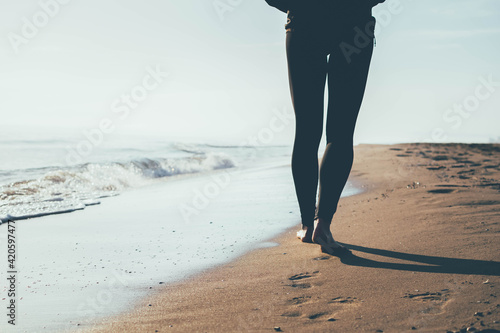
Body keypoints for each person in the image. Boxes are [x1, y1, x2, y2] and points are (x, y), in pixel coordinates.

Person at [265, 0, 385, 255]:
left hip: (305, 24)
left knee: (307, 130)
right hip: (354, 26)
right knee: (341, 133)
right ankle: (323, 225)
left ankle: (308, 225)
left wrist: (296, 6)